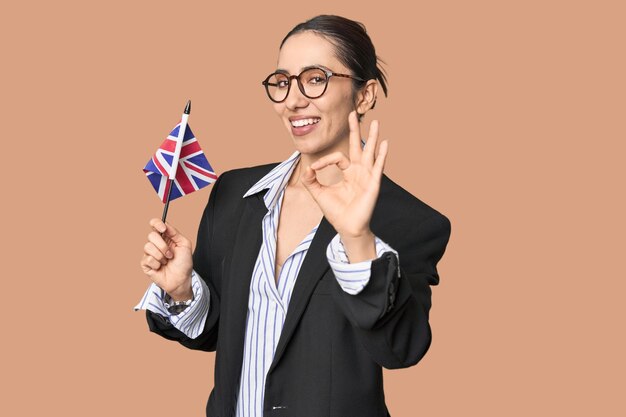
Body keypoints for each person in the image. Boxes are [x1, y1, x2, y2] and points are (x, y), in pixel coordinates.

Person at [136, 14, 451, 417]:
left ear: (364, 95)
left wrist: (357, 239)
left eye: (316, 78)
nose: (294, 100)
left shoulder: (410, 221)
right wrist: (182, 290)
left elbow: (401, 348)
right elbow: (218, 334)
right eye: (283, 82)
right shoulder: (235, 195)